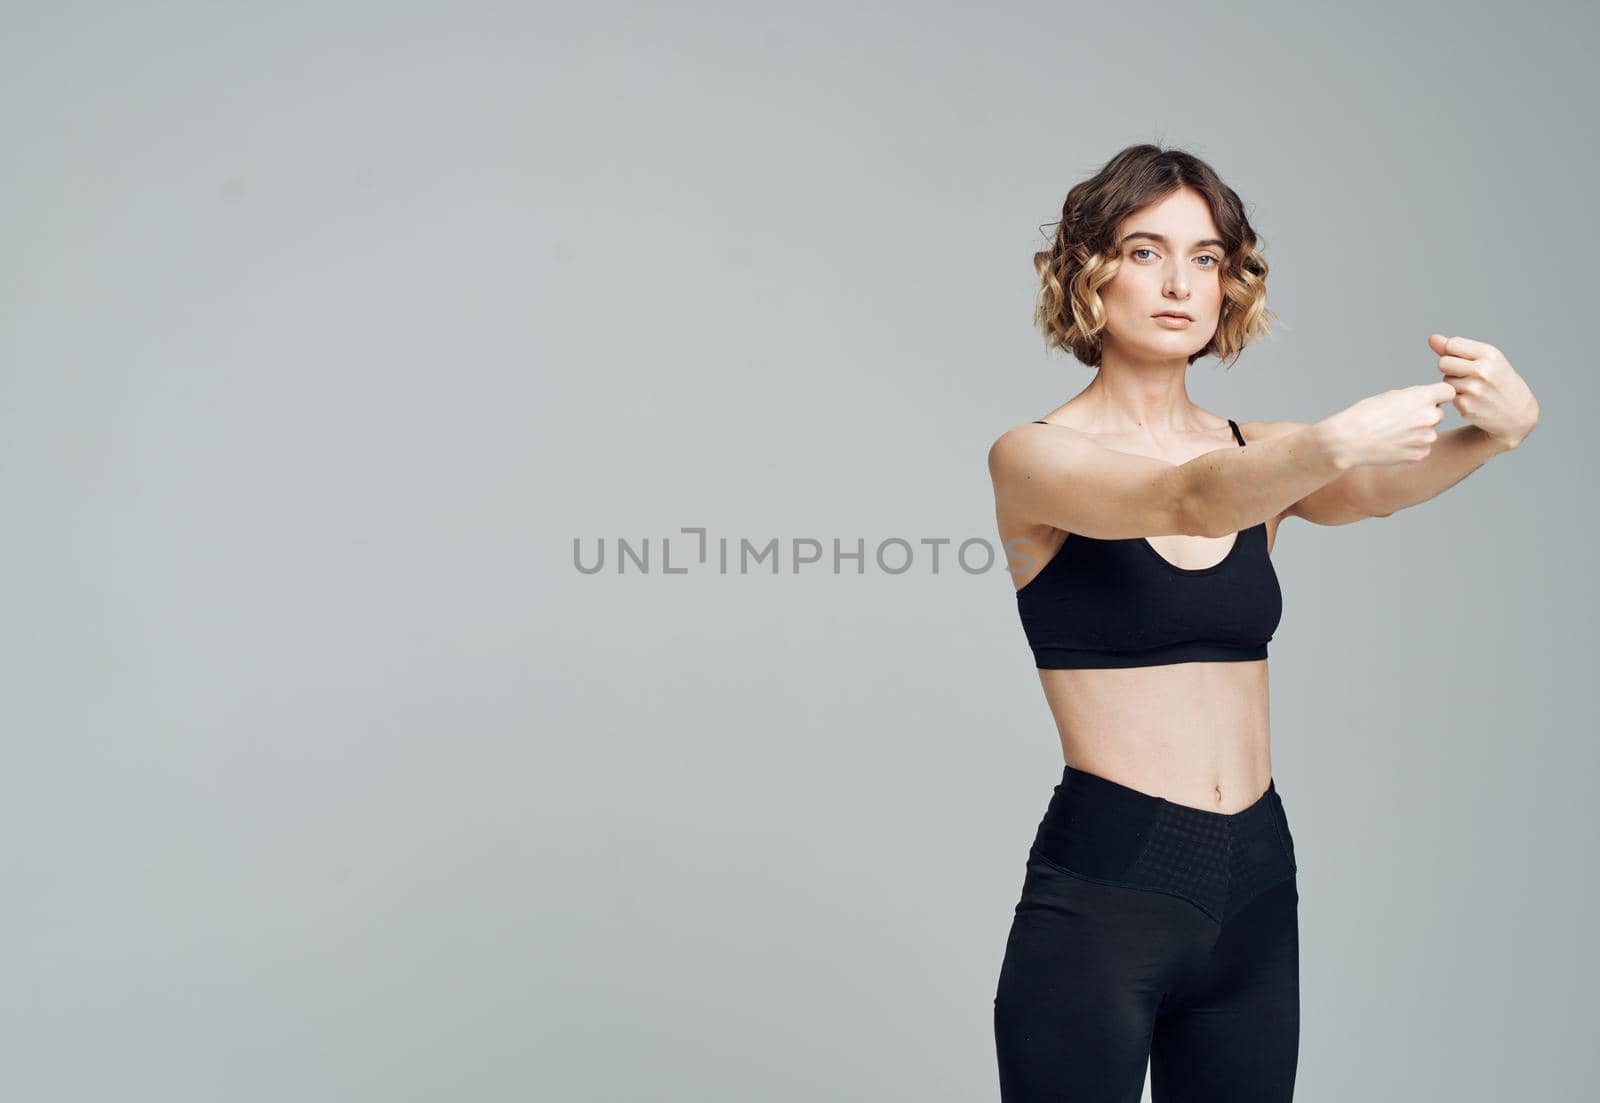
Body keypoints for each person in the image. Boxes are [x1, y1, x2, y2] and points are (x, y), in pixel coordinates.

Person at [985, 143, 1540, 1102]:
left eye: (1205, 258)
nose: (1179, 282)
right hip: (1110, 892)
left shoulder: (1263, 452)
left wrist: (1499, 431)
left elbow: (1376, 489)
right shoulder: (1035, 458)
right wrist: (1327, 444)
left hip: (1255, 882)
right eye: (1145, 249)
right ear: (1089, 271)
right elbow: (1188, 500)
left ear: (1229, 283)